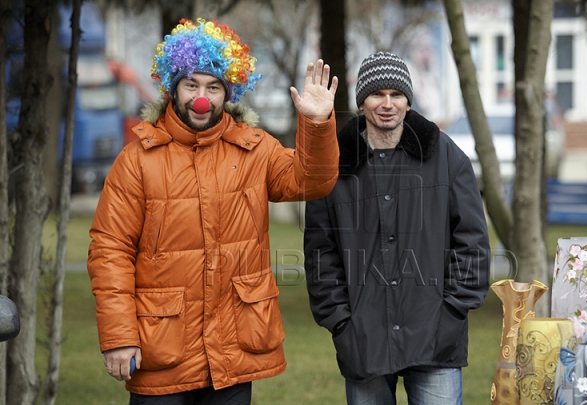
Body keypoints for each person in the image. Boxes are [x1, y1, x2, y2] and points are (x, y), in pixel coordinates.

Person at [87, 18, 339, 404]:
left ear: (229, 92)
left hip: (232, 350)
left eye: (213, 87)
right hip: (162, 351)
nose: (201, 98)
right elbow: (109, 252)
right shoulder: (136, 160)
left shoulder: (255, 149)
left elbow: (311, 182)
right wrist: (119, 336)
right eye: (191, 85)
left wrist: (317, 123)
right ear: (174, 86)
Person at [303, 51, 490, 405]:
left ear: (408, 101)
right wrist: (341, 322)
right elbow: (319, 253)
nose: (387, 104)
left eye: (397, 95)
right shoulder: (333, 166)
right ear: (362, 102)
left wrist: (452, 311)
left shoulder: (447, 157)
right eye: (377, 94)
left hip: (436, 336)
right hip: (364, 339)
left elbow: (473, 242)